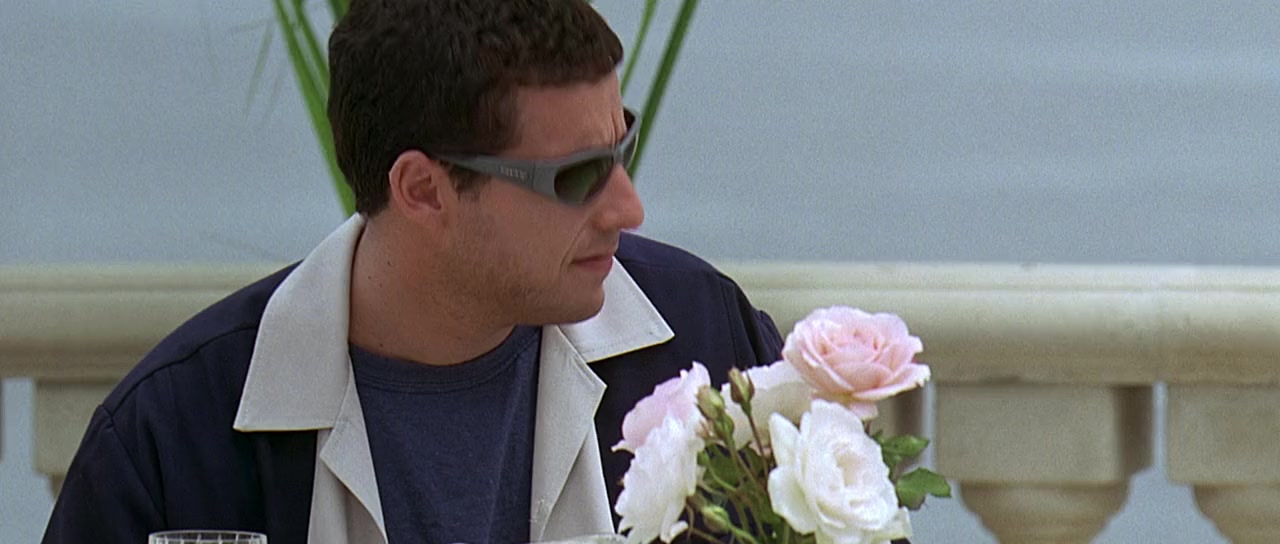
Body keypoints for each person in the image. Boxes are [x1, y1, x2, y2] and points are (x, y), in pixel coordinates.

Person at [42, 1, 783, 543]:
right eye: (579, 174)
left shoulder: (710, 344)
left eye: (621, 148)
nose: (629, 207)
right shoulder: (167, 446)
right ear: (424, 190)